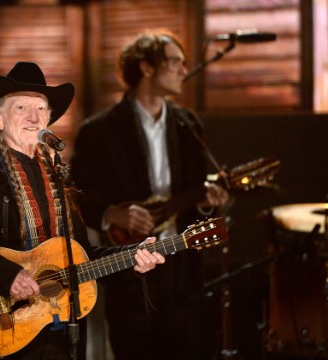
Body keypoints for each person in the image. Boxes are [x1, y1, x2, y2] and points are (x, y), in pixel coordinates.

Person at [0, 61, 165, 360]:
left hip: (58, 335)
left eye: (41, 108)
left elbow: (81, 257)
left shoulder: (59, 176)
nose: (33, 117)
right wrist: (6, 275)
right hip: (1, 330)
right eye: (21, 108)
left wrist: (132, 258)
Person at [70, 29, 229, 360]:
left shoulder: (188, 124)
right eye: (174, 62)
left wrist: (208, 204)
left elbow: (197, 198)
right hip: (127, 267)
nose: (183, 71)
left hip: (182, 266)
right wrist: (111, 213)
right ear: (145, 67)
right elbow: (74, 195)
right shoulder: (99, 130)